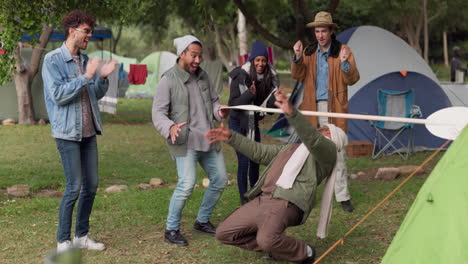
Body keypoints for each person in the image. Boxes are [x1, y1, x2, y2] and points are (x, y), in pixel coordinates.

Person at [207, 89, 346, 263]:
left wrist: (293, 114)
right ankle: (279, 249)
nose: (319, 129)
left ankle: (305, 251)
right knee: (224, 233)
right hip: (264, 199)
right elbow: (260, 152)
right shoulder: (291, 149)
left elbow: (313, 140)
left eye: (324, 129)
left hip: (287, 203)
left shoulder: (328, 153)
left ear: (333, 139)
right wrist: (231, 138)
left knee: (266, 239)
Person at [42, 10, 117, 253]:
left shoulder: (85, 60)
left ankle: (81, 235)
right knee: (73, 187)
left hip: (88, 132)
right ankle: (63, 241)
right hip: (67, 135)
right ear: (72, 31)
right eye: (86, 31)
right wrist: (86, 77)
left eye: (90, 31)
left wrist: (102, 79)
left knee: (91, 185)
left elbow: (93, 94)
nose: (90, 35)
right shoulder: (52, 60)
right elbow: (59, 95)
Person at [152, 35, 229, 246]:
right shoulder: (167, 80)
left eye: (199, 56)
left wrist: (219, 112)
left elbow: (214, 101)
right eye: (193, 55)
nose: (197, 60)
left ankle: (202, 221)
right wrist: (169, 127)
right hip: (185, 141)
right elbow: (158, 113)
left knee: (220, 180)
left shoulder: (203, 76)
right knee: (186, 185)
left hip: (209, 139)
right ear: (182, 53)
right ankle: (171, 229)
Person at [291, 11, 359, 212]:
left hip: (335, 108)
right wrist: (296, 57)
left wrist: (345, 63)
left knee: (338, 151)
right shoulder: (309, 52)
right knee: (311, 150)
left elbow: (352, 78)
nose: (320, 35)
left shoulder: (342, 50)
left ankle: (343, 197)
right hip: (312, 108)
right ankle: (307, 193)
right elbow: (298, 75)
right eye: (317, 31)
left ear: (331, 31)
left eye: (324, 31)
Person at [228, 40, 279, 204]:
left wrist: (274, 101)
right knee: (243, 161)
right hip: (237, 123)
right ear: (252, 61)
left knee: (255, 159)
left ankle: (255, 196)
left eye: (263, 60)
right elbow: (233, 104)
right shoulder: (240, 76)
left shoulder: (269, 77)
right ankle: (244, 200)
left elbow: (267, 105)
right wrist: (249, 94)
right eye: (257, 60)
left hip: (252, 123)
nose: (261, 63)